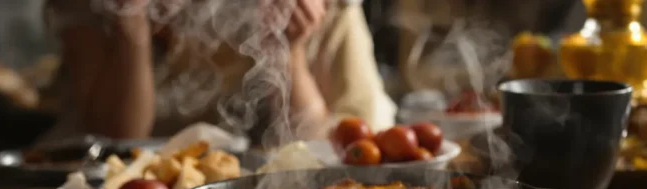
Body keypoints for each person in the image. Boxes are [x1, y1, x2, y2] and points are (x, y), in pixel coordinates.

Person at [39, 0, 396, 145]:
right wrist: (130, 25)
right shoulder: (88, 7)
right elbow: (111, 137)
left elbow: (340, 149)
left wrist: (291, 51)